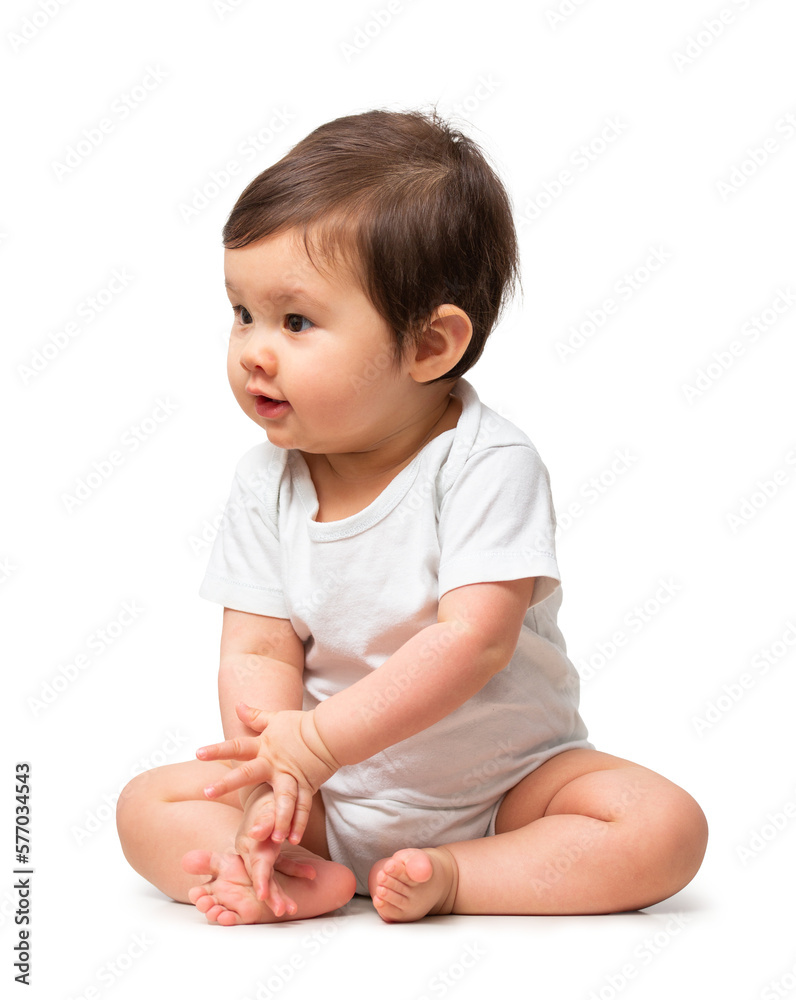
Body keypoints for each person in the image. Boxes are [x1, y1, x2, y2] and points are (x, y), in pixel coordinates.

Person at [116, 108, 708, 925]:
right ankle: (283, 866)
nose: (253, 348)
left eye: (295, 321)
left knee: (662, 827)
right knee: (146, 804)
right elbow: (256, 645)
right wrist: (283, 774)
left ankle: (459, 873)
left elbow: (474, 639)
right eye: (240, 313)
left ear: (431, 346)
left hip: (507, 785)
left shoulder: (486, 465)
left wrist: (322, 741)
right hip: (326, 795)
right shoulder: (266, 483)